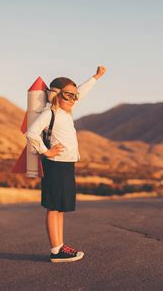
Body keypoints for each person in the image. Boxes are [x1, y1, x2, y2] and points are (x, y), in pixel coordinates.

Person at [26, 65, 107, 263]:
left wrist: (96, 76)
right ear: (55, 95)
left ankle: (60, 246)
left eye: (75, 96)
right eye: (68, 95)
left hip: (66, 164)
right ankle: (56, 251)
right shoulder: (50, 113)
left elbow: (82, 90)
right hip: (55, 165)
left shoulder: (64, 112)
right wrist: (46, 152)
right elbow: (31, 133)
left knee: (60, 208)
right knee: (54, 208)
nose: (73, 99)